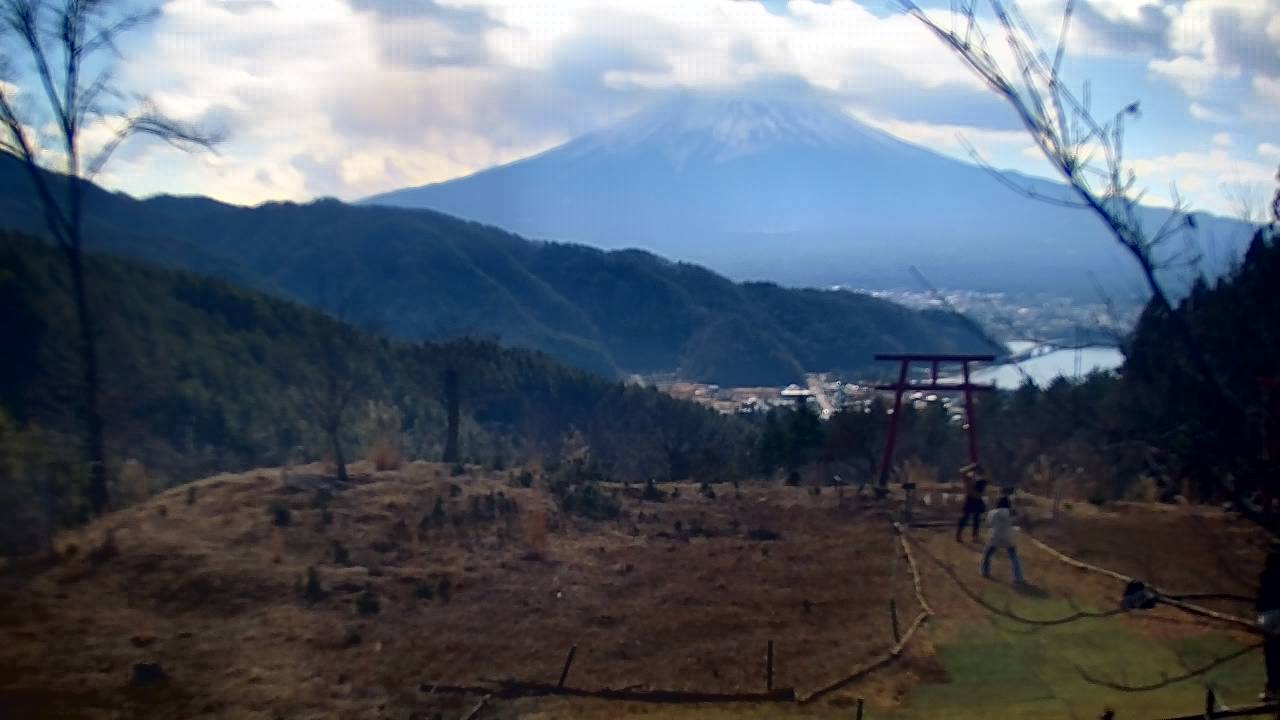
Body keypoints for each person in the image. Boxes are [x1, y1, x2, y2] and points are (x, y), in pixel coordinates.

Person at [980, 496, 1025, 584]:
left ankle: (985, 571)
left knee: (987, 555)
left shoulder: (992, 512)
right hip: (1008, 537)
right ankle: (1018, 577)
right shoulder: (1010, 512)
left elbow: (988, 524)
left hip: (995, 536)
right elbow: (1018, 519)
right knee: (1014, 557)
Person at [1257, 544, 1280, 701]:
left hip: (1269, 616)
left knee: (1271, 653)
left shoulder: (1265, 576)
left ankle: (1273, 688)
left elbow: (1261, 602)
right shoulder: (1266, 576)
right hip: (1271, 615)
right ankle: (1273, 688)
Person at [956, 463, 988, 542]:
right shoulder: (969, 478)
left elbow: (986, 480)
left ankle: (975, 536)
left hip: (977, 499)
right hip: (970, 498)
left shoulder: (981, 478)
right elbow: (961, 471)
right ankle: (959, 535)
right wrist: (972, 466)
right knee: (965, 518)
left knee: (976, 518)